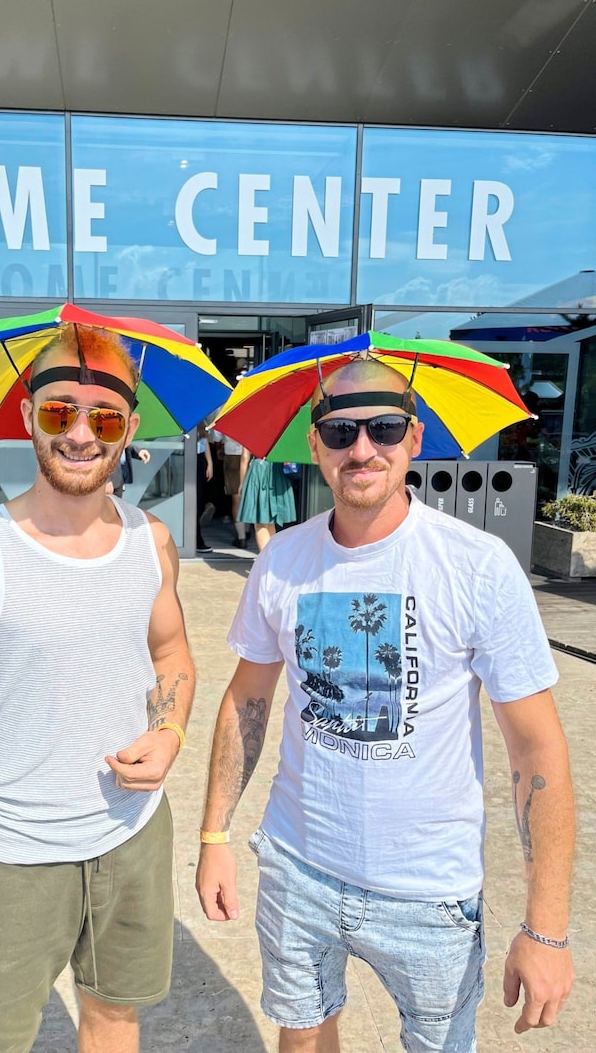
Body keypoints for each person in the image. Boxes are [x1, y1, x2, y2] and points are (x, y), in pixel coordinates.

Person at [196, 356, 575, 1052]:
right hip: (298, 864)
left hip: (428, 891)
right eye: (339, 431)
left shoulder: (476, 565)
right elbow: (246, 697)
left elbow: (537, 749)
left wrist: (545, 927)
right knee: (303, 1036)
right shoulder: (281, 561)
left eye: (384, 426)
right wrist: (215, 835)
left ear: (415, 436)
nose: (361, 448)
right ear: (314, 445)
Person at [0, 322, 195, 1053]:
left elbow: (173, 651)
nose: (81, 433)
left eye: (104, 417)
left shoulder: (153, 543)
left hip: (133, 836)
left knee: (114, 1016)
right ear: (27, 416)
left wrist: (170, 730)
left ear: (128, 429)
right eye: (59, 412)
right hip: (12, 856)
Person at [237, 447, 296, 552]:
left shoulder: (251, 430)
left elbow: (245, 457)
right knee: (271, 521)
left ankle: (266, 561)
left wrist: (242, 482)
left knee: (260, 522)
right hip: (276, 470)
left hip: (258, 470)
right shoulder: (279, 431)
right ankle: (271, 559)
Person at [196, 421, 214, 553]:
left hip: (200, 460)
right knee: (194, 502)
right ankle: (196, 540)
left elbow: (205, 442)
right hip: (189, 459)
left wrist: (210, 463)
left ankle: (197, 539)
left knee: (198, 500)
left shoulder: (201, 422)